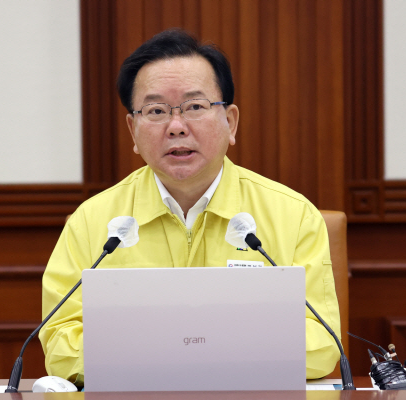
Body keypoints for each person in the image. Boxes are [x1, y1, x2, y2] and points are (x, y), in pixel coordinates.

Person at [39, 29, 341, 387]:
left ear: (230, 122)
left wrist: (169, 352)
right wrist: (210, 349)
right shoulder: (92, 222)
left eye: (195, 107)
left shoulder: (293, 216)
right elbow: (60, 343)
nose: (176, 127)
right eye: (156, 111)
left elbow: (322, 343)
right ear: (133, 131)